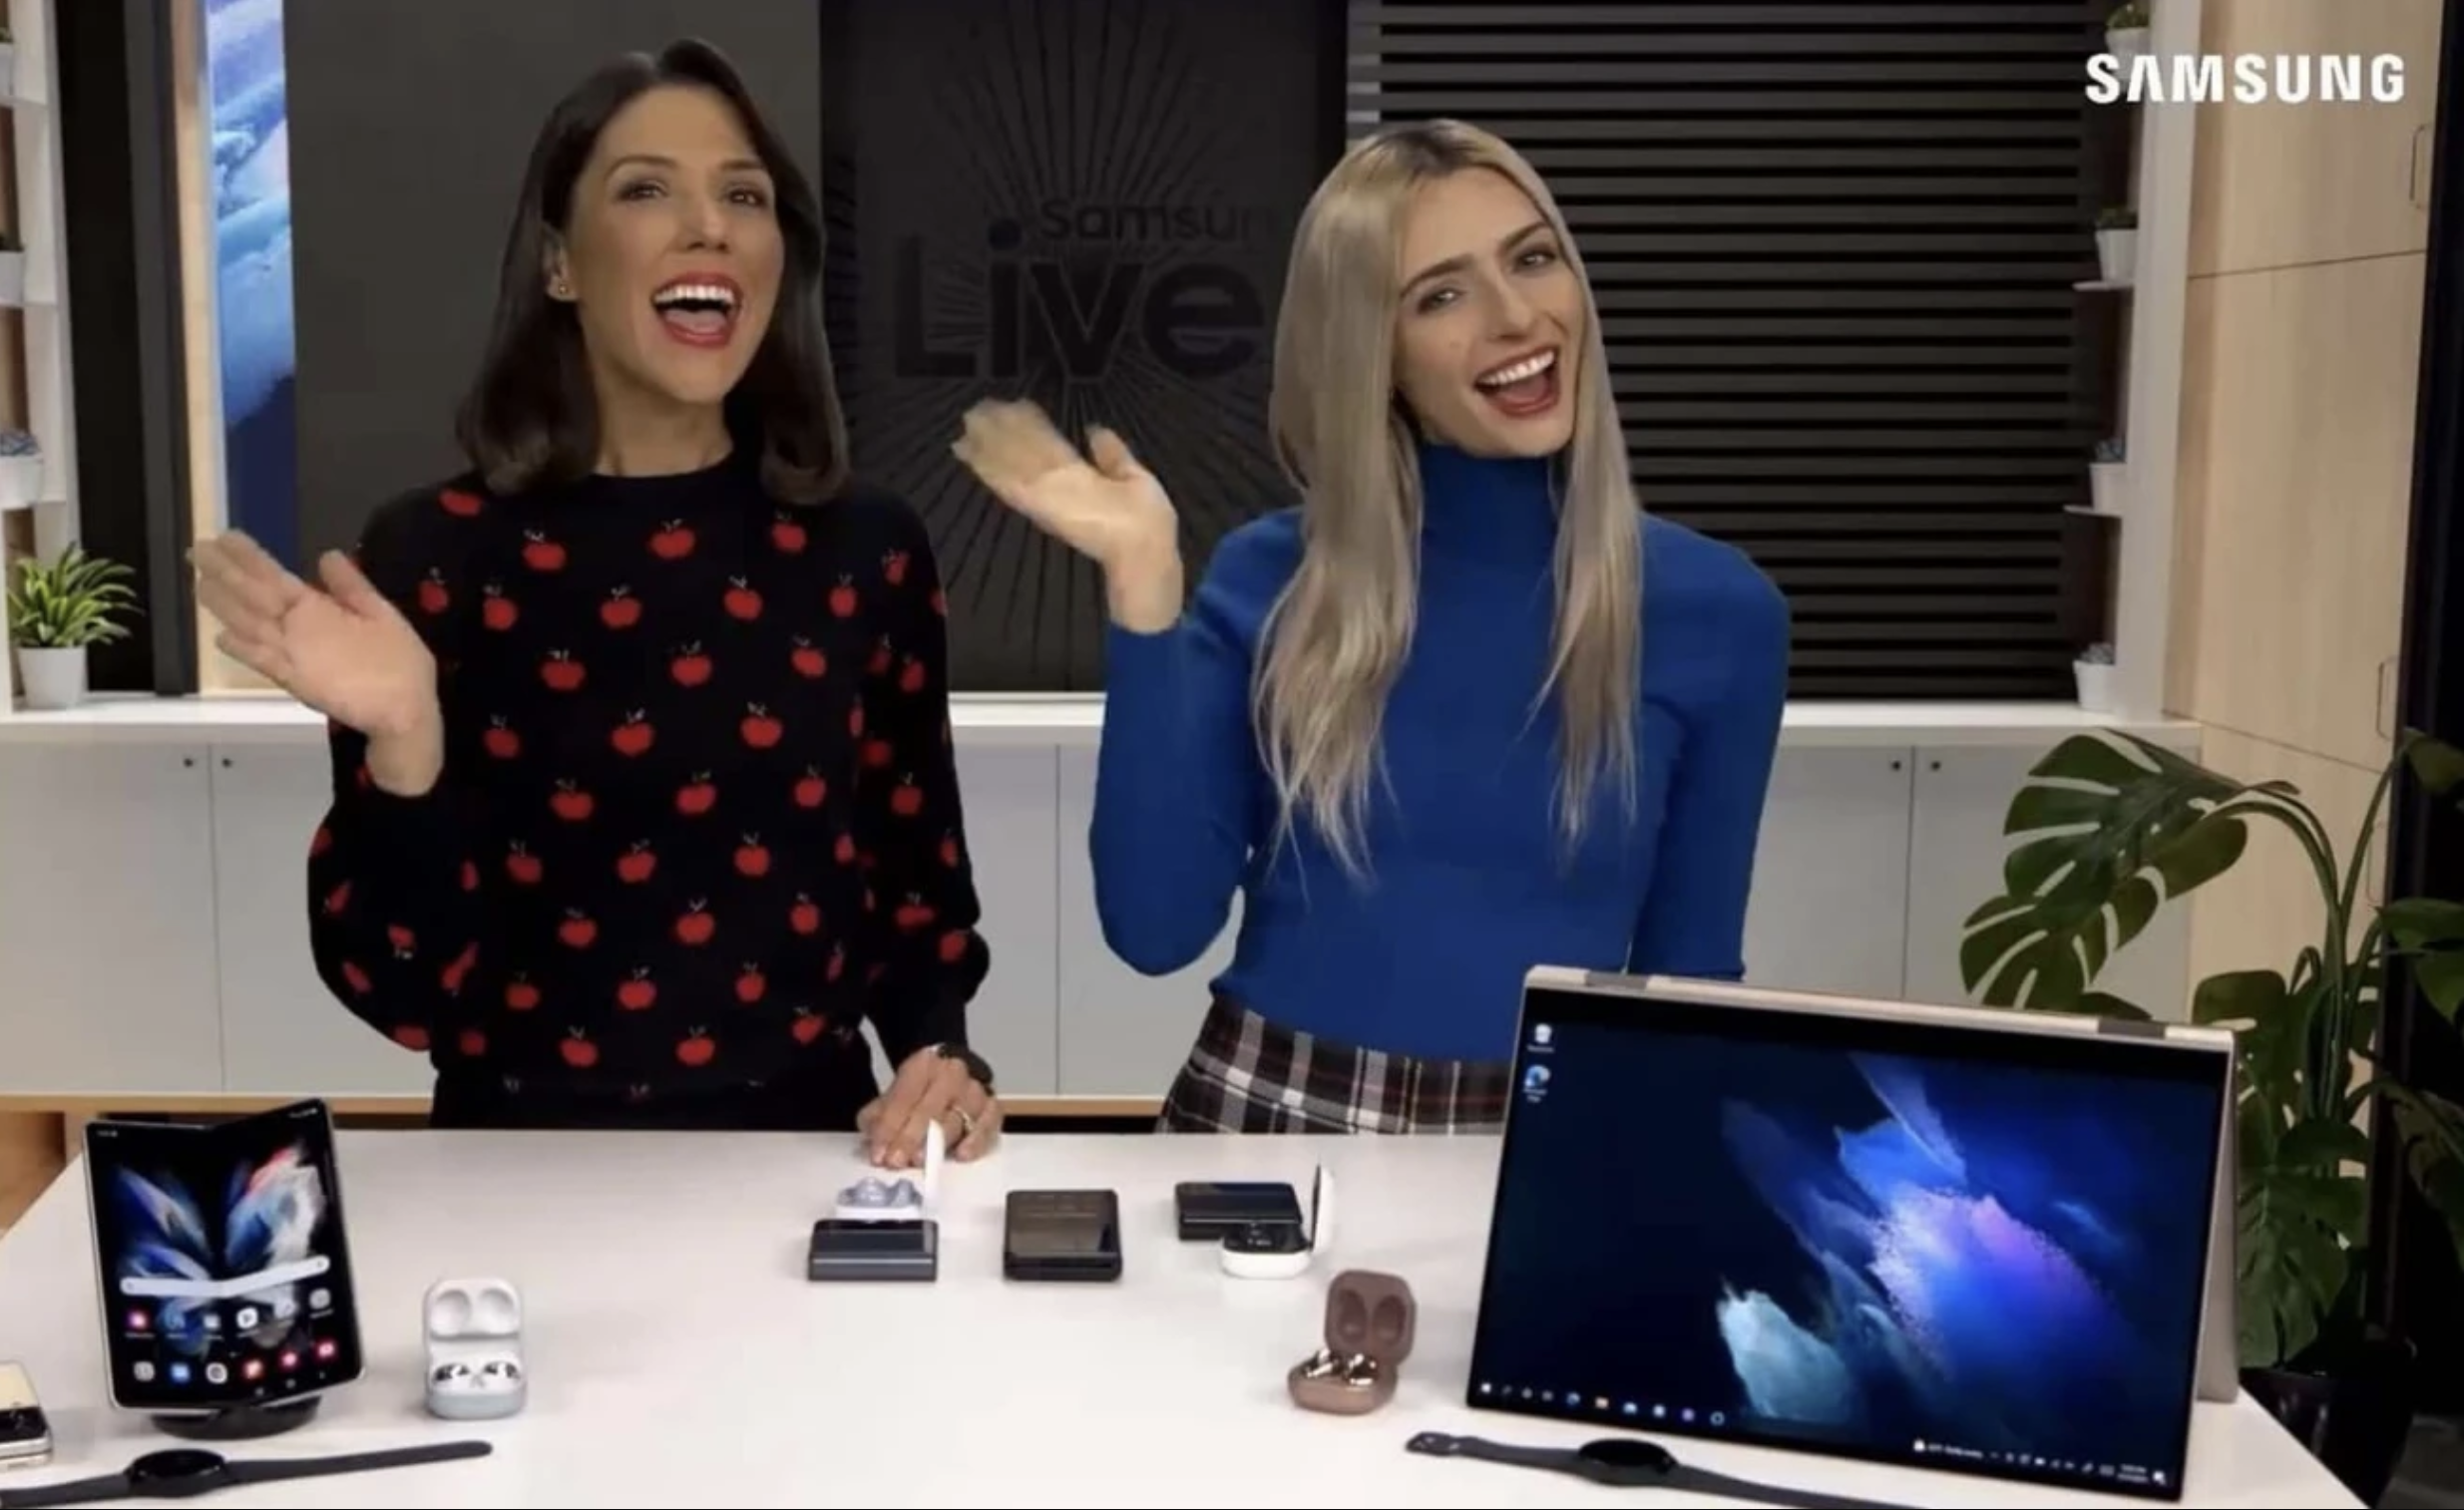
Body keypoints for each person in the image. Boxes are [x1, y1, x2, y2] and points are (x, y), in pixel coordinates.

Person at [190, 40, 998, 1161]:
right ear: (561, 263)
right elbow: (405, 991)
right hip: (516, 1174)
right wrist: (407, 744)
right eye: (647, 188)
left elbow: (916, 893)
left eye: (744, 195)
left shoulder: (867, 549)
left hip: (815, 1160)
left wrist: (939, 1055)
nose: (709, 224)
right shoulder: (431, 558)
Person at [954, 119, 1791, 1134]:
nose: (1517, 315)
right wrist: (1144, 588)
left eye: (1532, 259)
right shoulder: (1270, 576)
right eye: (1440, 294)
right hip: (1265, 1114)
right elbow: (1154, 927)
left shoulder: (1716, 612)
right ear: (1374, 351)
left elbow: (1688, 981)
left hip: (1544, 1126)